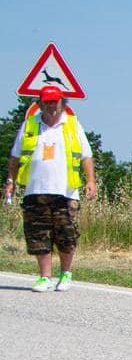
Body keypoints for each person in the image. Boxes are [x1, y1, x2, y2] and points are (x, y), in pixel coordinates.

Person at [6, 87, 96, 292]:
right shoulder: (30, 124)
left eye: (55, 101)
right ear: (40, 102)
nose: (51, 105)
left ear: (62, 103)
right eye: (47, 101)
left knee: (66, 234)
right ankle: (44, 276)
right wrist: (10, 181)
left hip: (65, 191)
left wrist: (91, 181)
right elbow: (15, 156)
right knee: (38, 235)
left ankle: (65, 273)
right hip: (35, 190)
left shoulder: (72, 125)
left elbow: (86, 155)